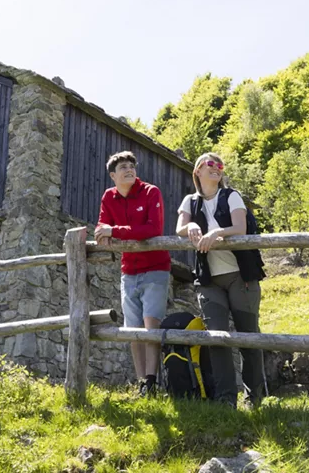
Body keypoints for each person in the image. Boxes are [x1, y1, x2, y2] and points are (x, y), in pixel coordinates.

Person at [175, 152, 266, 407]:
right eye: (210, 164)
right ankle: (226, 399)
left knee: (248, 337)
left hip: (240, 276)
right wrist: (191, 227)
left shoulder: (231, 196)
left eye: (220, 165)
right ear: (198, 171)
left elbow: (240, 228)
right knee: (217, 338)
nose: (216, 168)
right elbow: (179, 228)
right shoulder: (190, 201)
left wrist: (215, 233)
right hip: (209, 280)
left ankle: (254, 397)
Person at [95, 151, 171, 396]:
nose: (129, 170)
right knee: (133, 329)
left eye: (131, 166)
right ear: (113, 176)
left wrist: (114, 232)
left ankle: (152, 380)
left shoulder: (151, 192)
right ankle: (141, 383)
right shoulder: (109, 196)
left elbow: (152, 229)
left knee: (151, 325)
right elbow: (101, 225)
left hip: (156, 267)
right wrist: (102, 233)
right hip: (128, 271)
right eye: (123, 167)